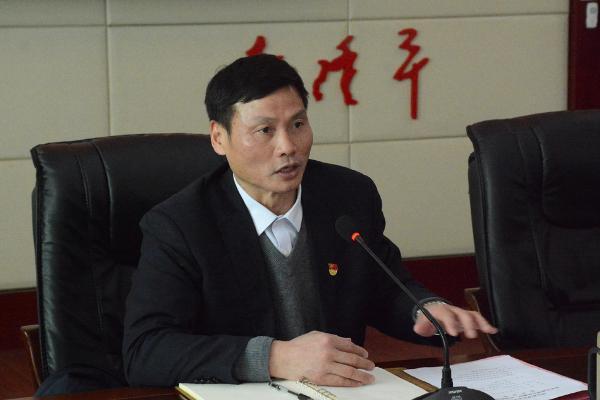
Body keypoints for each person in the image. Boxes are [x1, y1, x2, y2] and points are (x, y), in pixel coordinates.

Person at [122, 54, 497, 388]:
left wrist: (424, 309)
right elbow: (146, 351)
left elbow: (382, 288)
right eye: (265, 130)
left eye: (298, 124)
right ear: (219, 138)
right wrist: (275, 357)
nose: (288, 146)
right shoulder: (181, 225)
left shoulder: (348, 195)